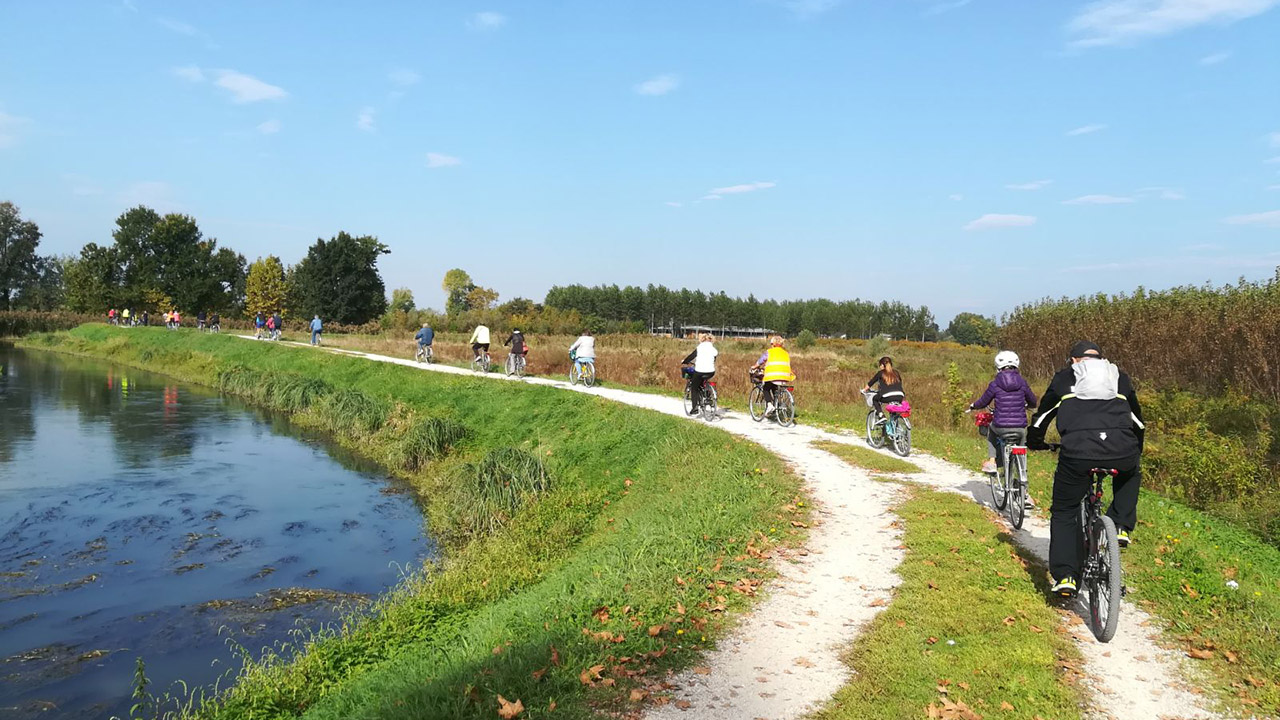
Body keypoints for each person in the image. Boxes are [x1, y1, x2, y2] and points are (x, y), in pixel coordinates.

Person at [1027, 341, 1145, 597]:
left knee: (1064, 509)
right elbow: (1138, 424)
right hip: (1122, 450)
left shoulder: (1065, 378)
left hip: (1078, 454)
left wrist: (1035, 442)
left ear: (1073, 360)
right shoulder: (1119, 377)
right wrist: (1136, 453)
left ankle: (1067, 575)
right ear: (1101, 359)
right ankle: (1121, 525)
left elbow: (1042, 417)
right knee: (1131, 472)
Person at [968, 351, 1038, 474]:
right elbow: (1033, 401)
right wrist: (1029, 405)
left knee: (991, 432)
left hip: (1000, 427)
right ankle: (1023, 474)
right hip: (1020, 428)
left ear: (998, 367)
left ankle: (992, 462)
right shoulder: (1022, 383)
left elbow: (983, 401)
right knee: (1022, 445)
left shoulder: (995, 384)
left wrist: (973, 406)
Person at [750, 335, 795, 417]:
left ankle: (770, 405)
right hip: (785, 377)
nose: (770, 345)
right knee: (774, 388)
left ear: (773, 344)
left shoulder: (769, 352)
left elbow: (760, 361)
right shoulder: (786, 353)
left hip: (773, 376)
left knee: (766, 388)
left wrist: (754, 366)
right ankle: (776, 407)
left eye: (771, 343)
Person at [681, 332, 719, 416]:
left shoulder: (700, 347)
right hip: (711, 372)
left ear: (702, 339)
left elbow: (691, 356)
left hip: (699, 371)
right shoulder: (713, 349)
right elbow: (714, 358)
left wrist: (685, 361)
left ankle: (695, 408)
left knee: (694, 387)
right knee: (703, 380)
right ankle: (708, 395)